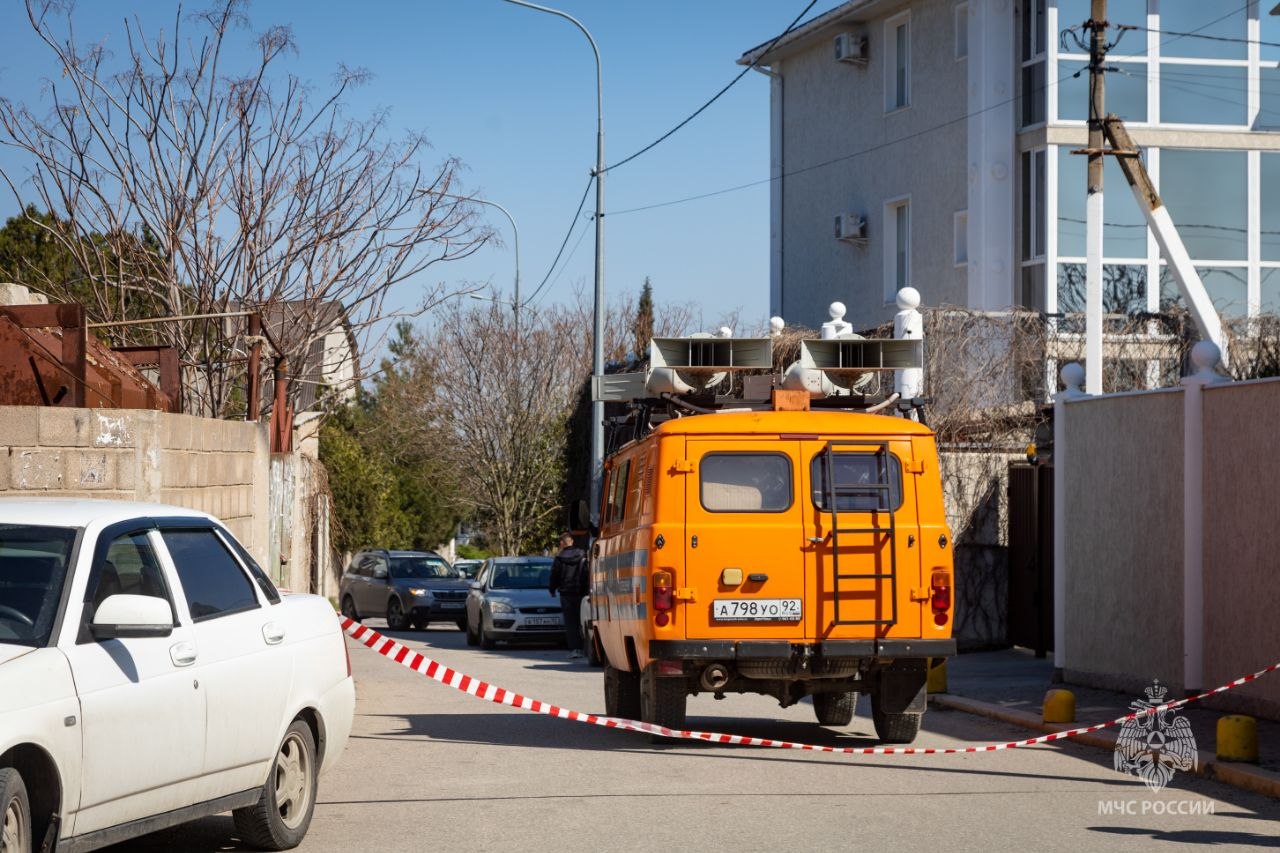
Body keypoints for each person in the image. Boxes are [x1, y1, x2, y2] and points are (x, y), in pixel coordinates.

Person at [549, 532, 587, 658]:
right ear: (572, 542)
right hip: (582, 593)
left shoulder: (559, 558)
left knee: (571, 622)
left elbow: (554, 575)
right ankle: (586, 647)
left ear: (562, 543)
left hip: (566, 593)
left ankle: (575, 649)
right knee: (583, 621)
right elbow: (587, 573)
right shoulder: (582, 555)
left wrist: (552, 589)